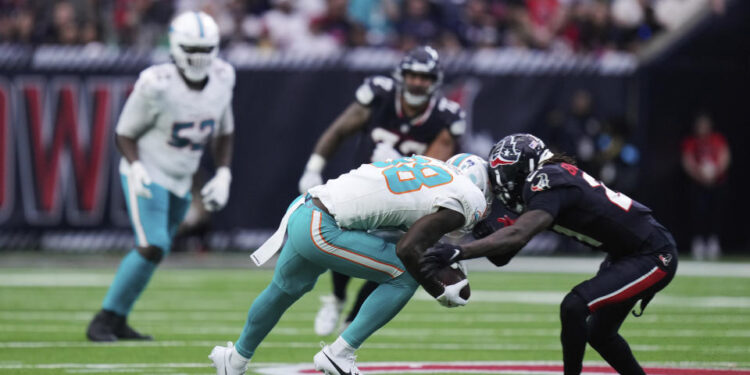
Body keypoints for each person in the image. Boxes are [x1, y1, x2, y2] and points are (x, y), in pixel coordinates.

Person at [209, 154, 493, 375]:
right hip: (323, 227)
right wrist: (438, 288)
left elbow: (401, 224)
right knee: (406, 273)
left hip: (306, 208)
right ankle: (340, 352)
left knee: (284, 290)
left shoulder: (429, 169)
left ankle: (233, 361)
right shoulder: (466, 196)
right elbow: (409, 249)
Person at [421, 134, 678, 375]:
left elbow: (518, 235)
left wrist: (460, 250)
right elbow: (504, 256)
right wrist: (481, 229)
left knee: (574, 306)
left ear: (523, 169)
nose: (504, 187)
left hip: (653, 253)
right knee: (600, 334)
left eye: (506, 177)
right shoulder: (550, 177)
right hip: (628, 253)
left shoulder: (547, 179)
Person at [86, 11, 235, 342]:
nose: (199, 57)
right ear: (176, 47)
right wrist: (136, 166)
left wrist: (223, 173)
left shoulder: (224, 77)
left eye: (205, 49)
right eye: (191, 49)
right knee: (153, 244)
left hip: (181, 177)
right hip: (147, 169)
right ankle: (103, 320)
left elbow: (225, 130)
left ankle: (119, 319)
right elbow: (124, 133)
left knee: (158, 250)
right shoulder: (156, 84)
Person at [297, 45, 466, 336]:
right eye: (412, 75)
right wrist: (313, 167)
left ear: (435, 81)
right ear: (402, 75)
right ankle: (337, 298)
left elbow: (436, 169)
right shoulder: (379, 95)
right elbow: (338, 130)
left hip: (408, 198)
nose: (417, 82)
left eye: (424, 77)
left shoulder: (445, 117)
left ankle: (352, 318)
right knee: (344, 240)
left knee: (396, 257)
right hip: (362, 191)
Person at [681, 112, 730, 260]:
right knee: (698, 212)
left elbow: (725, 156)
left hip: (716, 182)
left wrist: (715, 173)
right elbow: (687, 161)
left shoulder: (717, 139)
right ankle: (698, 243)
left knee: (715, 212)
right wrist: (699, 175)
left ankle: (713, 243)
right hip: (697, 183)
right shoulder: (691, 142)